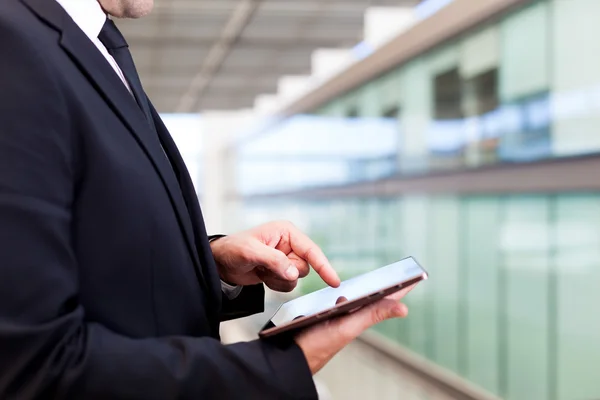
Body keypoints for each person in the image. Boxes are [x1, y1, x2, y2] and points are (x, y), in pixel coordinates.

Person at [0, 0, 410, 398]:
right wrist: (282, 366)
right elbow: (34, 364)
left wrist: (213, 261)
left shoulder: (89, 43)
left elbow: (95, 251)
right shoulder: (14, 44)